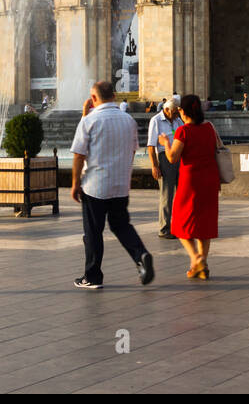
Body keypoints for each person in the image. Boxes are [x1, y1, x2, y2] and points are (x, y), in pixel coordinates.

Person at [69, 80, 153, 290]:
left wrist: (74, 183)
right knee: (121, 225)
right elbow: (133, 150)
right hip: (119, 184)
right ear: (114, 96)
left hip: (95, 186)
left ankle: (93, 276)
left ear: (94, 98)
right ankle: (140, 254)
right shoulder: (128, 120)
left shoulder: (89, 121)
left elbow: (79, 154)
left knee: (93, 232)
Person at [157, 94, 222, 279]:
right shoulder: (209, 127)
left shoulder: (183, 131)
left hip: (191, 181)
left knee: (179, 222)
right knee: (204, 223)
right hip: (210, 180)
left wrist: (165, 143)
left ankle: (196, 258)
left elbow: (172, 157)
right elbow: (216, 147)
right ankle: (201, 265)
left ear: (183, 112)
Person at [146, 95, 184, 238]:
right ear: (167, 110)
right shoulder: (156, 120)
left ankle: (179, 225)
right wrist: (155, 166)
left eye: (177, 113)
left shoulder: (178, 120)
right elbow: (151, 146)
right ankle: (164, 228)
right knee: (167, 195)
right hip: (164, 158)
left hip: (178, 156)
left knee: (181, 193)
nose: (176, 115)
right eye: (174, 112)